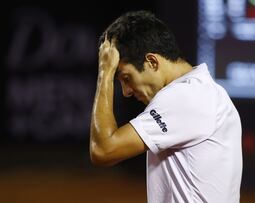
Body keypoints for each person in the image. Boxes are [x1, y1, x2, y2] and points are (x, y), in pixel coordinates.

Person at [90, 10, 242, 203]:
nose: (126, 92)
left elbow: (103, 150)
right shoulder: (205, 92)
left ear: (152, 62)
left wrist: (105, 74)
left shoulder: (186, 97)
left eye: (126, 78)